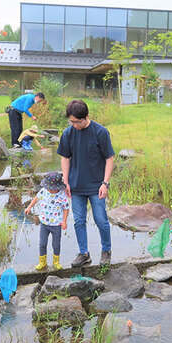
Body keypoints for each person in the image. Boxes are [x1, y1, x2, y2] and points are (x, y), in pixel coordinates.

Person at [57, 99, 114, 267]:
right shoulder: (68, 133)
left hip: (97, 186)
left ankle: (106, 250)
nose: (74, 125)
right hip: (76, 186)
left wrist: (105, 183)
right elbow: (65, 157)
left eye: (77, 122)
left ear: (86, 117)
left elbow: (109, 159)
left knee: (101, 220)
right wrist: (65, 181)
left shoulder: (100, 132)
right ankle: (84, 253)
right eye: (71, 121)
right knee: (79, 221)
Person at [24, 171, 69, 271]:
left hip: (56, 224)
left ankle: (56, 262)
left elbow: (66, 208)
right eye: (48, 187)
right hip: (44, 223)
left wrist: (64, 221)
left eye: (51, 188)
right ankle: (42, 262)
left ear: (57, 187)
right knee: (42, 243)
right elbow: (36, 199)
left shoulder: (62, 195)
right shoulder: (43, 191)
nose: (49, 189)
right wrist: (29, 207)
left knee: (56, 245)